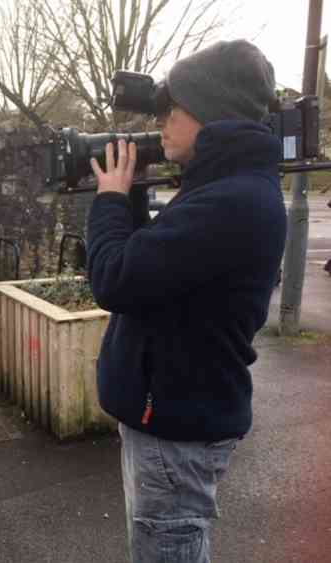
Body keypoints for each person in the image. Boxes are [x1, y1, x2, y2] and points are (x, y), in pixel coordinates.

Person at [86, 40, 286, 563]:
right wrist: (129, 196)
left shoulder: (230, 200)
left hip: (175, 423)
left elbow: (116, 278)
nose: (161, 123)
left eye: (170, 110)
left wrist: (109, 200)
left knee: (168, 550)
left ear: (208, 112)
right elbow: (155, 269)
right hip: (173, 413)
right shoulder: (226, 188)